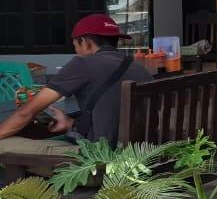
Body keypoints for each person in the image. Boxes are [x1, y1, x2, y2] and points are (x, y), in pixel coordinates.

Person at [0, 14, 151, 152]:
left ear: (84, 42)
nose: (76, 50)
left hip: (100, 159)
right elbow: (113, 115)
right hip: (141, 156)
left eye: (75, 45)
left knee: (4, 144)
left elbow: (26, 112)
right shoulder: (138, 68)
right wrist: (69, 123)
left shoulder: (83, 64)